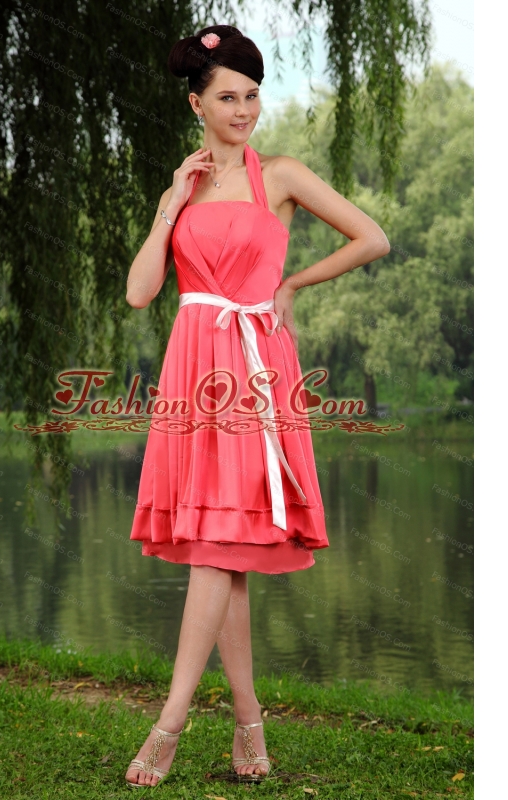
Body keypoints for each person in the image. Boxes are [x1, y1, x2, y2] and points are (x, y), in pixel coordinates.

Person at [124, 24, 390, 789]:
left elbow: (371, 237)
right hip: (192, 367)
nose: (243, 110)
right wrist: (170, 205)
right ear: (196, 105)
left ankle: (170, 723)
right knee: (224, 549)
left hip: (254, 370)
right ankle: (248, 722)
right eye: (227, 98)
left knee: (217, 547)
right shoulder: (182, 188)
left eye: (251, 96)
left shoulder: (281, 174)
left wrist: (292, 284)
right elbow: (141, 292)